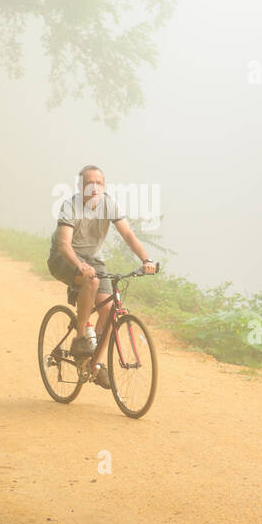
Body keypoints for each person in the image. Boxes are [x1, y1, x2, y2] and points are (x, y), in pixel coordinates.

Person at [47, 165, 157, 389]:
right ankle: (80, 339)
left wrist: (146, 260)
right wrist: (79, 265)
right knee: (92, 281)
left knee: (108, 309)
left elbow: (127, 234)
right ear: (81, 186)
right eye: (90, 183)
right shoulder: (70, 206)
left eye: (100, 182)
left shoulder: (108, 204)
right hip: (64, 258)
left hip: (93, 260)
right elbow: (64, 244)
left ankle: (94, 365)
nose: (95, 186)